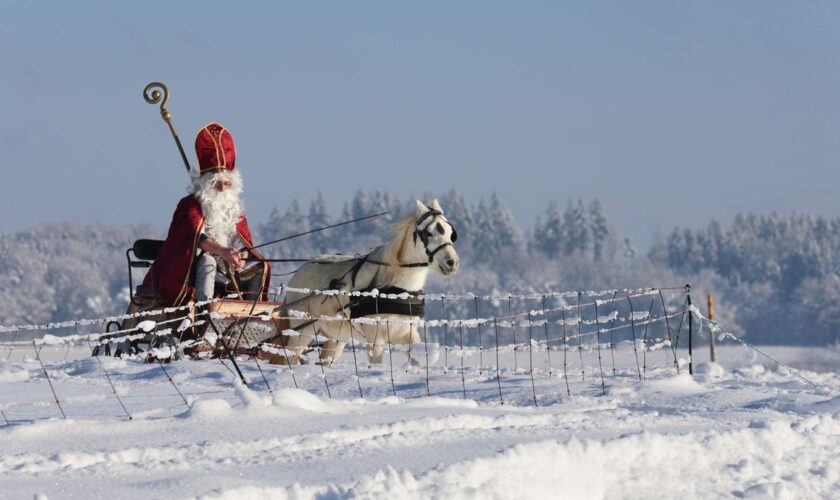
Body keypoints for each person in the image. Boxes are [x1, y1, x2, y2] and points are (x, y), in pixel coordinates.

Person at [142, 122, 270, 306]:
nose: (222, 187)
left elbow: (240, 240)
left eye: (227, 183)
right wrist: (222, 251)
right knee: (208, 263)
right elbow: (196, 238)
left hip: (226, 264)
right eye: (216, 182)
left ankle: (250, 315)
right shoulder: (190, 205)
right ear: (205, 182)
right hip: (192, 266)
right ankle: (205, 314)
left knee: (260, 267)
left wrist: (239, 256)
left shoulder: (234, 206)